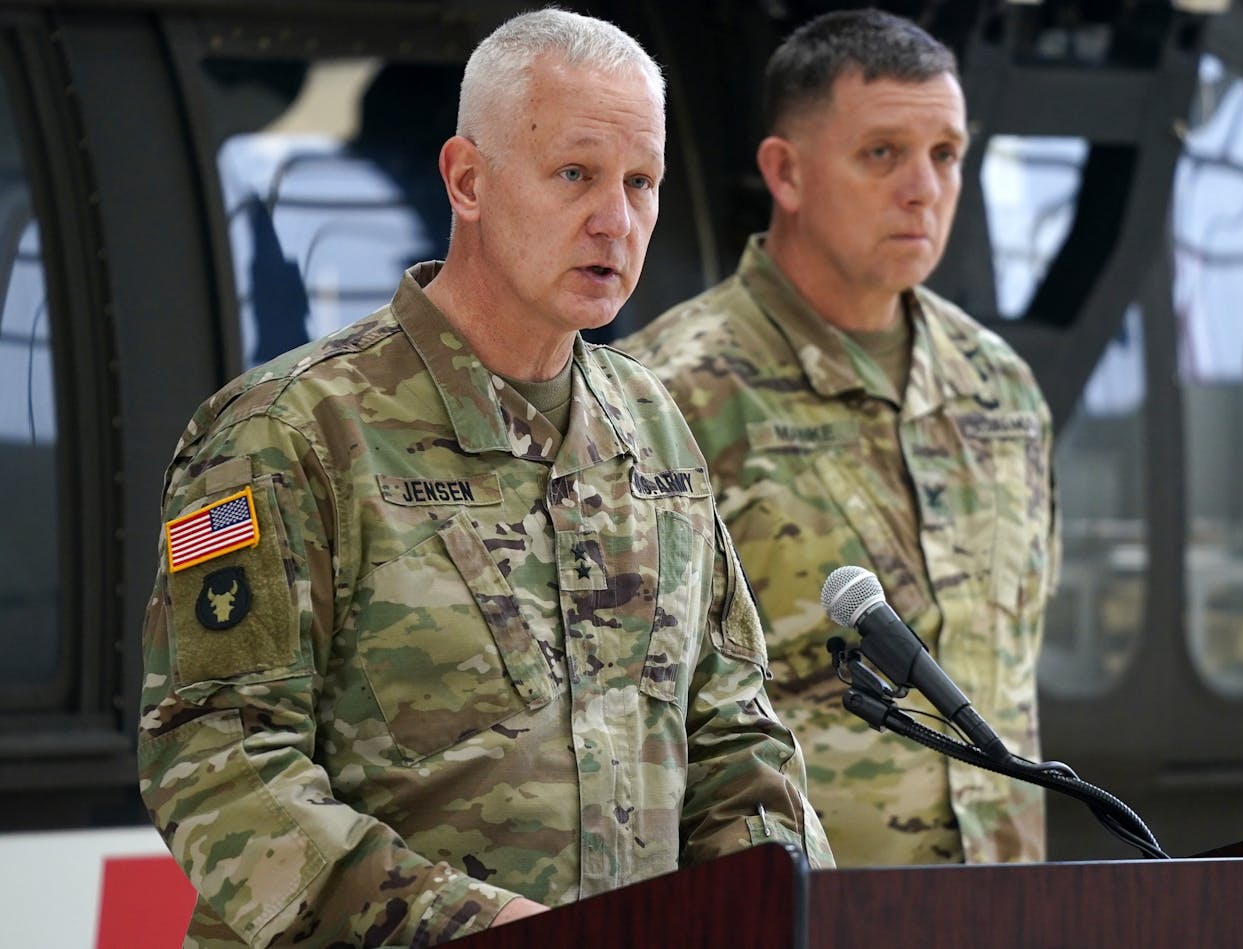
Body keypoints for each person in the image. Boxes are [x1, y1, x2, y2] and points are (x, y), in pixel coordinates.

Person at [137, 9, 831, 947]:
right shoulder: (289, 431)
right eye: (576, 175)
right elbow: (218, 763)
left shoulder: (654, 428)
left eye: (642, 182)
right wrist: (476, 928)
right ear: (467, 180)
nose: (615, 221)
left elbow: (732, 730)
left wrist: (782, 910)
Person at [618, 9, 1059, 867]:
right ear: (785, 171)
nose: (924, 189)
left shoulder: (998, 385)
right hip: (794, 913)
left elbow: (1013, 665)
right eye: (883, 153)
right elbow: (627, 719)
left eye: (946, 155)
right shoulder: (665, 395)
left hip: (1006, 906)